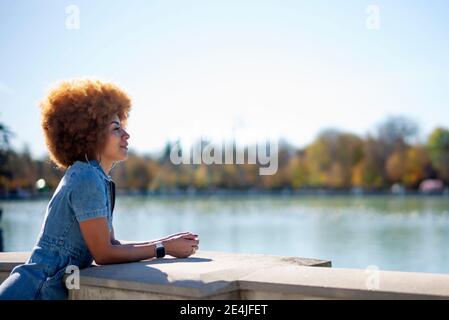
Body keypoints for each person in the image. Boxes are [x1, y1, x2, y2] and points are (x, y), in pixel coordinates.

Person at [0, 79, 199, 300]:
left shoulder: (95, 176)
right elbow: (104, 254)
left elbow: (110, 244)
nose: (126, 135)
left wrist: (166, 242)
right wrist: (164, 248)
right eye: (116, 129)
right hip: (32, 293)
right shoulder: (86, 177)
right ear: (89, 134)